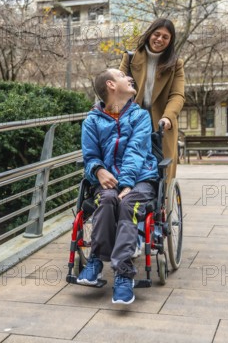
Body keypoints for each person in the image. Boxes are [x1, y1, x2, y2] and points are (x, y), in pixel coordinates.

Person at [78, 68, 158, 305]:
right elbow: (90, 156)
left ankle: (123, 275)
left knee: (128, 202)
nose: (130, 78)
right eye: (124, 77)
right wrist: (99, 171)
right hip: (107, 180)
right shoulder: (91, 120)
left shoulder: (140, 116)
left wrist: (127, 184)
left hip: (140, 179)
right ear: (111, 86)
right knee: (107, 199)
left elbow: (136, 151)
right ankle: (95, 262)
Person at [119, 18, 185, 181]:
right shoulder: (130, 58)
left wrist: (168, 117)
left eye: (165, 37)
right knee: (130, 165)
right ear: (149, 34)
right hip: (133, 121)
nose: (160, 39)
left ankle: (160, 204)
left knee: (162, 172)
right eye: (157, 34)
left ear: (170, 41)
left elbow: (177, 95)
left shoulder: (175, 64)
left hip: (162, 124)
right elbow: (117, 87)